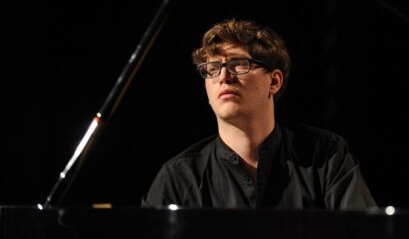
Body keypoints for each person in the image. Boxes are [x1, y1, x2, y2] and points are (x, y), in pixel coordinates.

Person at [143, 18, 376, 209]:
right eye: (212, 69)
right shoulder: (178, 177)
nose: (223, 77)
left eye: (239, 64)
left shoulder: (325, 155)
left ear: (274, 82)